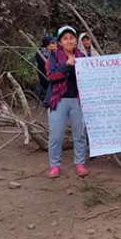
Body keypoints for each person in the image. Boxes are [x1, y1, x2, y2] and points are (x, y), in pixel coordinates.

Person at [43, 25, 88, 179]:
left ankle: (80, 163)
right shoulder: (54, 57)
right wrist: (67, 66)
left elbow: (89, 77)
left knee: (80, 134)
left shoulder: (82, 57)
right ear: (60, 42)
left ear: (76, 40)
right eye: (65, 38)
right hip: (58, 100)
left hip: (77, 100)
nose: (69, 41)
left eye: (72, 38)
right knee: (56, 135)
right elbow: (51, 76)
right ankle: (54, 165)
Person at [35, 36, 56, 100]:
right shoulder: (41, 53)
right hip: (45, 77)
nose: (55, 44)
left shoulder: (53, 52)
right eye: (52, 43)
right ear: (47, 44)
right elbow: (46, 66)